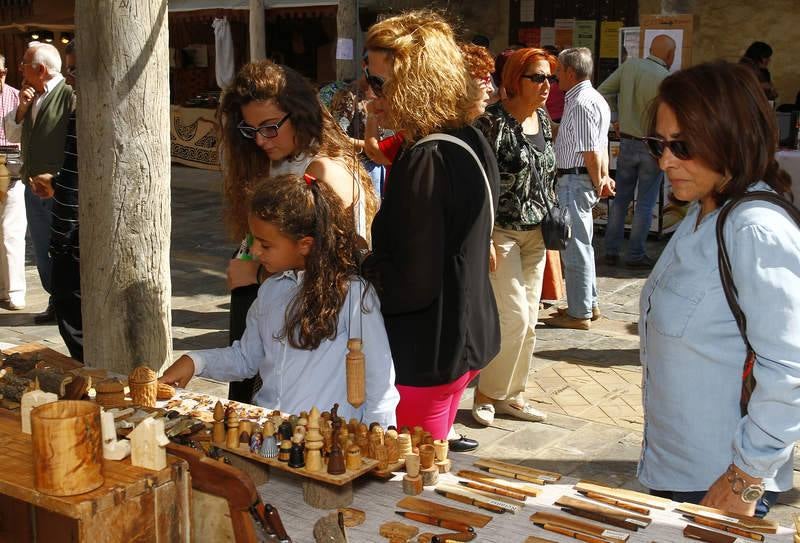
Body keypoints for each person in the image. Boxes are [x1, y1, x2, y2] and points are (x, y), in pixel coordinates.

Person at [638, 61, 799, 518]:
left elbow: (790, 369)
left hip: (718, 484)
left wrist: (744, 481)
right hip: (677, 472)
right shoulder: (702, 212)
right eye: (659, 144)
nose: (666, 160)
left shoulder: (754, 229)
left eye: (682, 146)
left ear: (727, 137)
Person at [362, 10, 500, 446]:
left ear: (414, 84)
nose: (371, 96)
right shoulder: (468, 135)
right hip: (465, 335)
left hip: (429, 352)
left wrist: (361, 266)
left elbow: (413, 282)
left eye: (380, 83)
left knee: (412, 482)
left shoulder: (426, 158)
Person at [161, 174, 399, 427]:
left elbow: (379, 385)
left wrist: (378, 442)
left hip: (327, 443)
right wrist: (196, 362)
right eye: (254, 242)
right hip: (267, 434)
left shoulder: (353, 296)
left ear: (305, 245)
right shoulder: (270, 291)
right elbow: (246, 358)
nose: (254, 252)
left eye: (265, 245)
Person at [219, 60, 377, 403]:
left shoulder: (323, 169)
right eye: (250, 130)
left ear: (300, 114)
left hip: (305, 321)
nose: (260, 140)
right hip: (270, 305)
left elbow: (332, 265)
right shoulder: (277, 160)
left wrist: (257, 274)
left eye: (270, 127)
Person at [471, 48, 557, 427]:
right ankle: (487, 393)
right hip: (501, 232)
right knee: (515, 317)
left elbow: (546, 173)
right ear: (515, 79)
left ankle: (514, 395)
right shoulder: (492, 123)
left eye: (549, 79)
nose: (546, 86)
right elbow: (478, 183)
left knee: (530, 320)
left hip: (536, 233)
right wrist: (485, 236)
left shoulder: (544, 120)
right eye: (537, 77)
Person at [4, 42, 73, 325]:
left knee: (62, 249)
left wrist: (60, 181)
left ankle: (66, 303)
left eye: (23, 63)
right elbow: (12, 132)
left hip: (59, 190)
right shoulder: (31, 96)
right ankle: (56, 299)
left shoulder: (69, 95)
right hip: (34, 189)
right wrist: (22, 108)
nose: (19, 67)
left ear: (41, 70)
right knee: (43, 249)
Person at [547, 47, 614, 331]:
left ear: (571, 73)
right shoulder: (592, 99)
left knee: (575, 247)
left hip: (574, 181)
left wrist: (599, 180)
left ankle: (579, 312)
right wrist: (603, 177)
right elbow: (599, 146)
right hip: (578, 179)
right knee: (581, 245)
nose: (555, 77)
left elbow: (590, 151)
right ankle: (588, 304)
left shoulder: (583, 102)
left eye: (558, 71)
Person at [598, 34, 675, 269]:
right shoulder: (666, 79)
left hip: (627, 143)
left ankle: (610, 250)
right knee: (644, 203)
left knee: (620, 201)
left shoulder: (630, 66)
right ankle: (635, 254)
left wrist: (616, 119)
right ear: (670, 55)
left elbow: (602, 90)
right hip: (652, 145)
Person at [28, 40, 82, 360]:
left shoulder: (88, 111)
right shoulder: (80, 111)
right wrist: (56, 185)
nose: (71, 77)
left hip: (79, 231)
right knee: (66, 309)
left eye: (76, 69)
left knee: (74, 317)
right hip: (66, 223)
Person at [0, 53, 26, 312]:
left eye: (0, 73)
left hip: (12, 169)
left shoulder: (18, 97)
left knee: (12, 233)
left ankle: (15, 291)